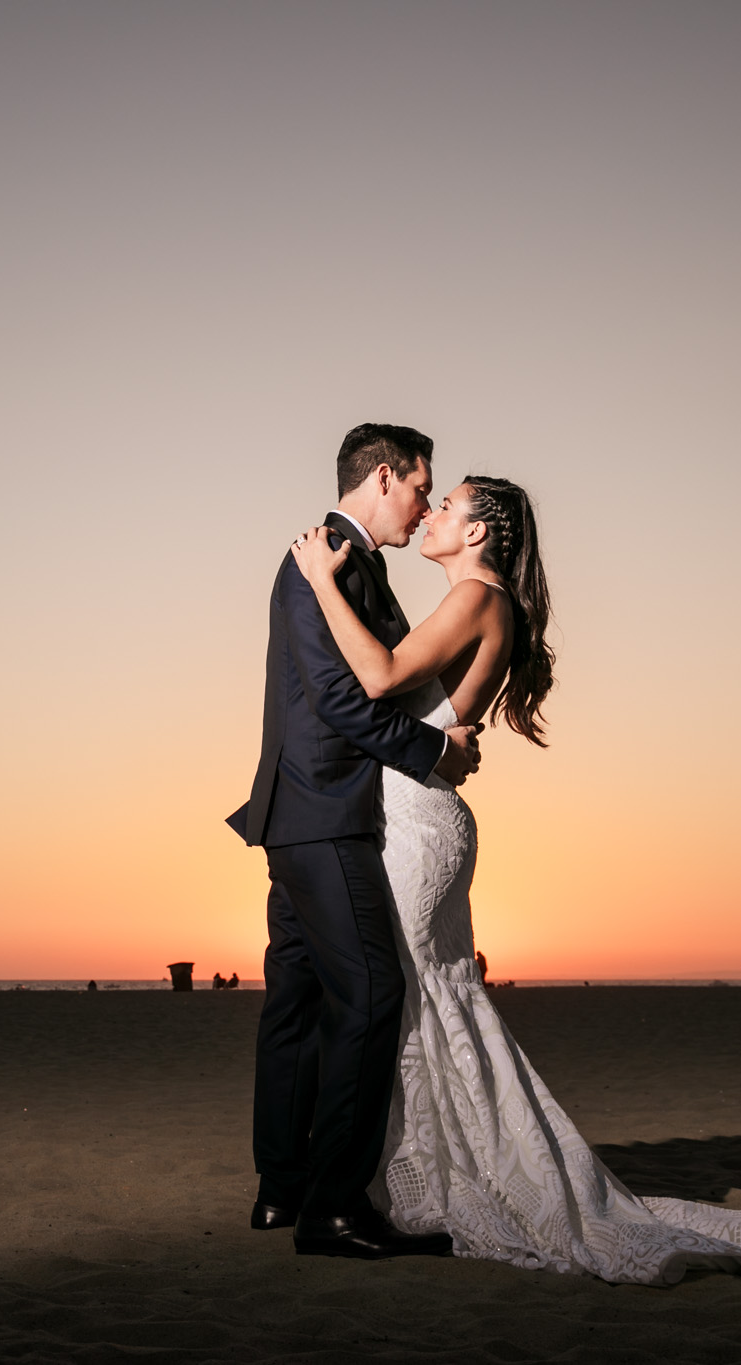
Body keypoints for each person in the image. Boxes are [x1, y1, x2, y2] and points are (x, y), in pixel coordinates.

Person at [287, 474, 741, 1283]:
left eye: (450, 505)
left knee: (413, 996)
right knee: (419, 995)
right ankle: (401, 1171)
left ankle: (425, 1178)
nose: (434, 509)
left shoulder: (477, 597)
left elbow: (377, 678)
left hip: (417, 823)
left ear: (478, 532)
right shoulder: (476, 601)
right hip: (419, 813)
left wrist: (318, 580)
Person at [227, 423, 481, 1260]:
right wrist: (434, 751)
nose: (422, 504)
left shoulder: (341, 559)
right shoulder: (324, 557)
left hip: (299, 814)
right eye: (419, 486)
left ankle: (282, 1189)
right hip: (328, 811)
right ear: (383, 476)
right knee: (370, 995)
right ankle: (333, 1206)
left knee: (296, 1003)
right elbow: (342, 698)